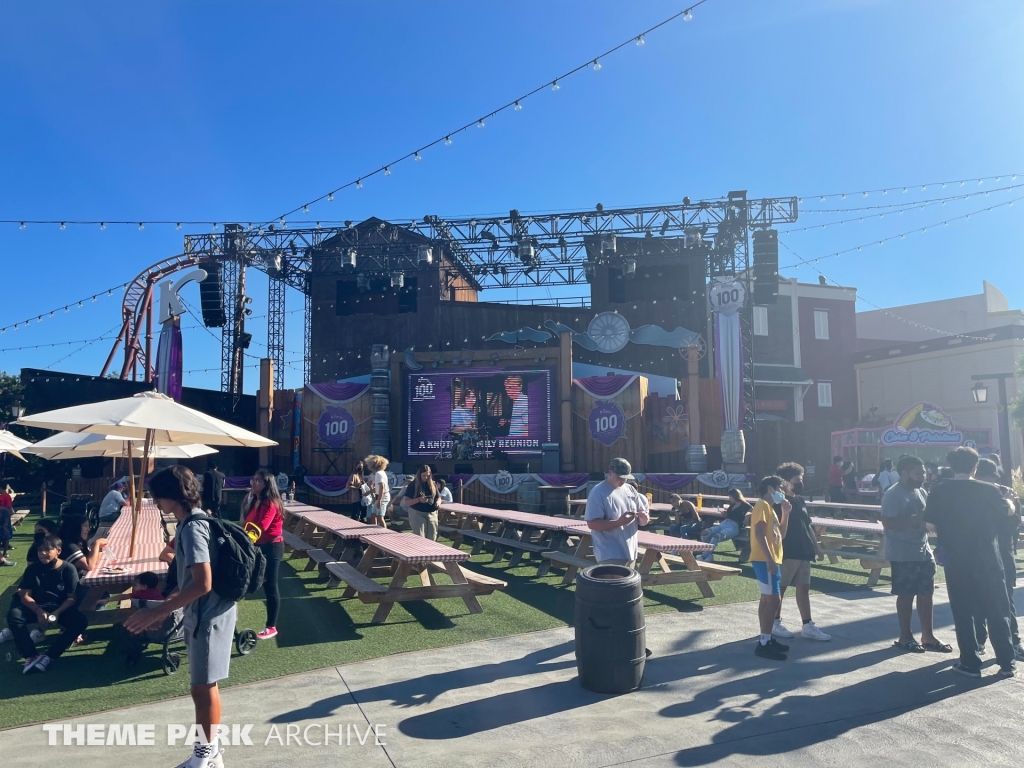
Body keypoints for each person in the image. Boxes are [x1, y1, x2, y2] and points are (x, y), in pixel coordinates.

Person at [126, 466, 237, 768]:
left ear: (169, 497)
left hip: (208, 616)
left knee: (202, 689)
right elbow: (192, 583)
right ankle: (209, 751)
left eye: (156, 497)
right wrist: (166, 606)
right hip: (208, 613)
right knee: (205, 687)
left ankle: (206, 757)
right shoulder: (198, 521)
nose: (156, 503)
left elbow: (203, 583)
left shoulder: (191, 528)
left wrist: (158, 612)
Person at [924, 447, 1017, 679]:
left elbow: (930, 526)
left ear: (951, 466)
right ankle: (1006, 662)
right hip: (988, 556)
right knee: (998, 609)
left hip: (957, 558)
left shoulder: (940, 490)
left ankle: (970, 661)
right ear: (975, 466)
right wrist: (1011, 501)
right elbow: (1007, 512)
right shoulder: (990, 490)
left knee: (963, 610)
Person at [881, 455, 949, 655]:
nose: (923, 476)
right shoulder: (893, 495)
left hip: (923, 550)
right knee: (906, 594)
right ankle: (905, 636)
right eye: (918, 473)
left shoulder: (921, 491)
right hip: (903, 552)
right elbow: (888, 523)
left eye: (924, 472)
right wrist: (914, 520)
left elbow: (926, 518)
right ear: (904, 474)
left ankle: (928, 636)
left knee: (926, 593)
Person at [5, 534, 89, 674]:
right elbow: (25, 595)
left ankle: (50, 656)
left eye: (47, 550)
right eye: (39, 550)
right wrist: (38, 611)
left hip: (59, 607)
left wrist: (56, 613)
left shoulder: (68, 569)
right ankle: (30, 655)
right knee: (14, 615)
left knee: (80, 621)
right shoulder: (32, 570)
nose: (42, 553)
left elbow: (71, 598)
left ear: (58, 551)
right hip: (37, 606)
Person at [971, 458, 1024, 661]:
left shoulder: (1005, 493)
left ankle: (1013, 643)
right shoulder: (972, 493)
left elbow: (1014, 524)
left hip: (1002, 552)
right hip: (980, 554)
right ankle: (979, 641)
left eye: (992, 477)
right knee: (978, 600)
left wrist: (1010, 504)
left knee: (1007, 599)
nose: (992, 481)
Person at [773, 463, 831, 642]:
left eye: (801, 479)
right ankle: (774, 622)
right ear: (785, 482)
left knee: (804, 588)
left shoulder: (799, 500)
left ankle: (807, 625)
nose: (800, 483)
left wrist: (817, 547)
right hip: (789, 550)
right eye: (797, 480)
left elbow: (807, 525)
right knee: (780, 588)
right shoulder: (779, 502)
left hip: (805, 550)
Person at [749, 476, 791, 661]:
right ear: (770, 489)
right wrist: (769, 559)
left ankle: (766, 638)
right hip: (764, 559)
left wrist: (785, 514)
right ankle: (764, 642)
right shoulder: (762, 505)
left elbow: (780, 534)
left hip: (770, 559)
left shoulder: (771, 509)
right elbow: (759, 533)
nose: (782, 492)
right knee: (774, 600)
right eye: (779, 488)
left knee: (769, 600)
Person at [584, 458, 650, 567]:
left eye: (626, 477)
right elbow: (592, 524)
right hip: (610, 553)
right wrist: (619, 522)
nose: (623, 480)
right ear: (610, 472)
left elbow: (642, 522)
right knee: (613, 584)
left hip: (631, 551)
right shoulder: (598, 492)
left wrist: (644, 518)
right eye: (620, 477)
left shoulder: (631, 489)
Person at [242, 470, 284, 641]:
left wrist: (245, 539)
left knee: (270, 585)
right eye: (253, 479)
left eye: (258, 480)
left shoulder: (269, 502)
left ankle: (271, 626)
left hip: (272, 547)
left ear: (267, 484)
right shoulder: (255, 500)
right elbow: (247, 523)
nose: (253, 482)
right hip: (258, 546)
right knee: (249, 579)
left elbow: (261, 526)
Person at [699, 488, 751, 562]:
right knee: (704, 533)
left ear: (735, 496)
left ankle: (704, 556)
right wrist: (725, 513)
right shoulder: (732, 505)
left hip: (733, 526)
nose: (730, 499)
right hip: (723, 524)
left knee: (716, 537)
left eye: (730, 497)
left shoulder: (745, 505)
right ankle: (709, 555)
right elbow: (730, 514)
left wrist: (748, 515)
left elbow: (753, 510)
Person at [401, 465, 441, 541]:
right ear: (419, 474)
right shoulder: (412, 485)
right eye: (424, 476)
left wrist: (438, 503)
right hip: (417, 512)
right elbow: (406, 501)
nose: (425, 478)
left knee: (432, 537)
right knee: (420, 537)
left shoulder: (433, 484)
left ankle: (430, 552)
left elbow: (438, 497)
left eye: (428, 476)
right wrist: (419, 499)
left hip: (432, 513)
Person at [364, 455, 390, 528]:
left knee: (380, 517)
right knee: (373, 515)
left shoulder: (379, 474)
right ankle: (375, 529)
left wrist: (379, 500)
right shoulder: (381, 473)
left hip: (383, 497)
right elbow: (378, 488)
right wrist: (368, 492)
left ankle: (385, 533)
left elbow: (382, 487)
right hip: (382, 495)